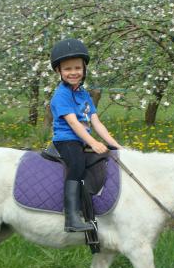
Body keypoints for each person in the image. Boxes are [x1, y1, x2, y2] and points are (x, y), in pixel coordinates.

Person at [49, 38, 122, 232]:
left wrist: (116, 145)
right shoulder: (61, 95)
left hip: (81, 138)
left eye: (77, 68)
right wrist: (93, 142)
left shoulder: (83, 94)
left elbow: (96, 122)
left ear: (84, 69)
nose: (73, 73)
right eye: (67, 69)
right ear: (59, 71)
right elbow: (73, 123)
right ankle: (71, 218)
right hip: (67, 140)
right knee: (77, 164)